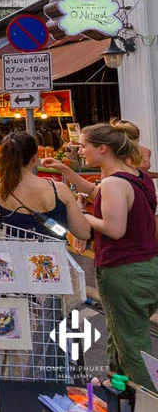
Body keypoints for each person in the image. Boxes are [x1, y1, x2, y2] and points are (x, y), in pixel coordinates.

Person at [72, 122, 158, 391]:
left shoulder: (112, 183)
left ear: (102, 148)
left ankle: (146, 400)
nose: (80, 150)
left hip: (123, 271)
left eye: (84, 145)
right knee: (121, 333)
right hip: (147, 265)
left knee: (132, 345)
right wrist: (66, 172)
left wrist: (85, 217)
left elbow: (114, 229)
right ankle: (118, 387)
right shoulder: (137, 176)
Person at [0, 132, 91, 241]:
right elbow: (84, 233)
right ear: (34, 159)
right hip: (51, 257)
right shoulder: (58, 189)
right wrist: (80, 208)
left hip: (12, 256)